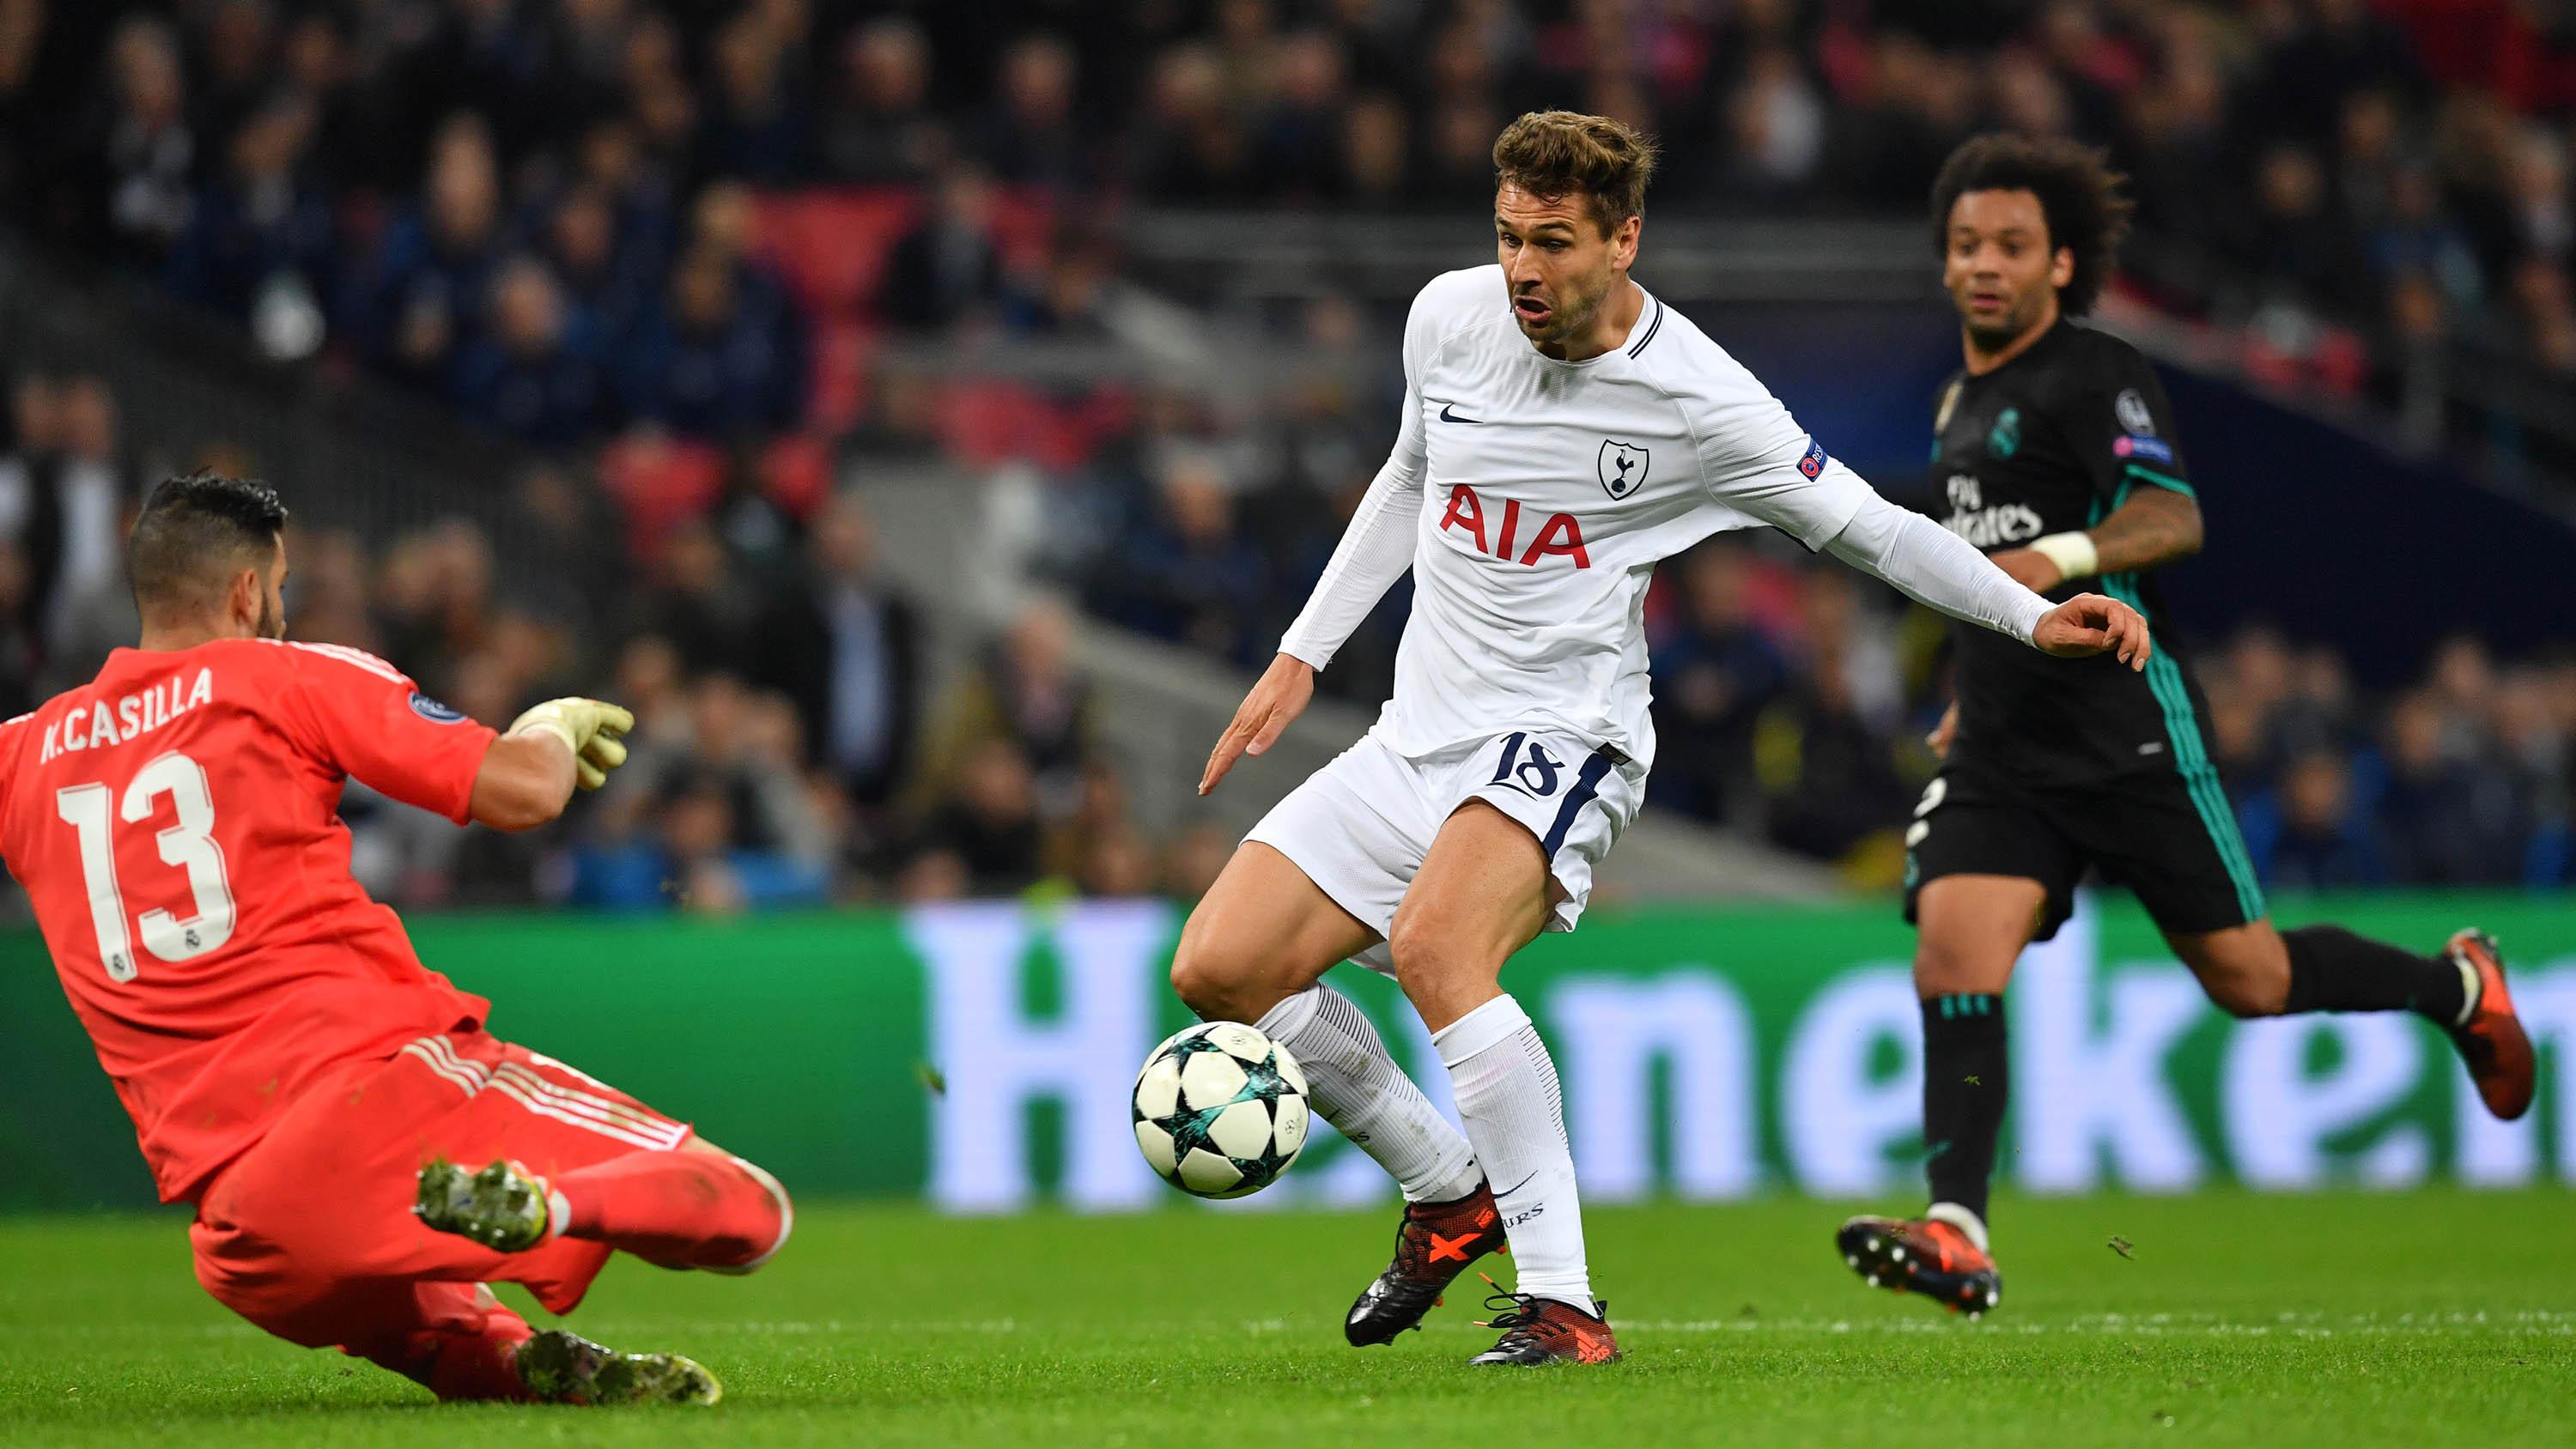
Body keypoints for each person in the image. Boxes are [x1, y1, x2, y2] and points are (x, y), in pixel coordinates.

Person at [1172, 111, 2150, 1367]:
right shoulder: (1448, 318)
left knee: (1436, 949)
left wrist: (2028, 615)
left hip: (1564, 733)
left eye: (1558, 244)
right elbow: (1413, 469)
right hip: (1416, 732)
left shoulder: (1701, 402)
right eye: (1510, 237)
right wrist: (1303, 652)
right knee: (1221, 972)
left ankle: (1567, 1307)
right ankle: (1447, 1190)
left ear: (1626, 238)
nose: (1525, 269)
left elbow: (1870, 528)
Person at [1838, 134, 2535, 1317]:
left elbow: (2170, 514)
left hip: (2125, 728)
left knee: (2251, 982)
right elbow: (1974, 577)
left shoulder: (2095, 370)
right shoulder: (1961, 402)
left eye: (2011, 246)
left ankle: (2457, 988)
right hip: (2006, 745)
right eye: (1966, 247)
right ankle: (1959, 1226)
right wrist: (1972, 679)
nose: (1985, 266)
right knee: (1953, 948)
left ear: (2061, 263)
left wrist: (2057, 561)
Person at [1, 472, 791, 1404]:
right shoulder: (290, 676)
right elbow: (522, 792)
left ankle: (514, 1358)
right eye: (282, 588)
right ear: (248, 592)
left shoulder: (23, 752)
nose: (284, 611)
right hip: (368, 1090)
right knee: (751, 1209)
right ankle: (545, 1205)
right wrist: (547, 724)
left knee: (409, 1306)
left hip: (242, 1230)